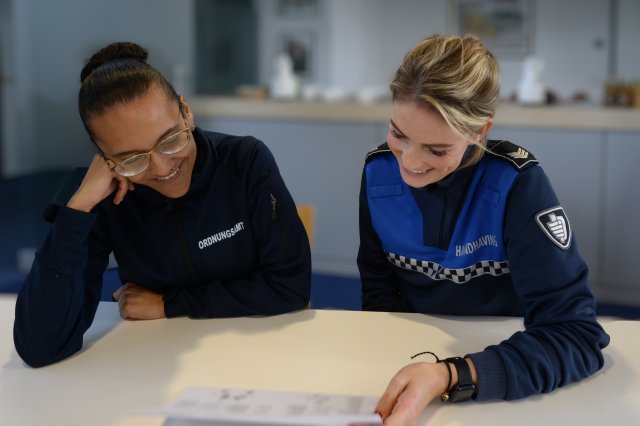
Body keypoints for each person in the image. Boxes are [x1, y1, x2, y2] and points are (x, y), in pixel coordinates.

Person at [357, 34, 610, 425]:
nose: (409, 162)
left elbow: (577, 336)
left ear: (479, 131)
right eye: (398, 134)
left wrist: (449, 375)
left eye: (437, 150)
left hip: (501, 371)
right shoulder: (377, 171)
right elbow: (379, 295)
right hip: (410, 373)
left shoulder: (517, 184)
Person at [14, 42, 311, 368]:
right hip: (153, 359)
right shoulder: (105, 195)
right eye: (131, 158)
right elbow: (42, 347)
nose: (161, 168)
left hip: (260, 348)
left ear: (186, 111)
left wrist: (171, 304)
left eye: (170, 140)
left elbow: (290, 288)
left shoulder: (245, 161)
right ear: (102, 154)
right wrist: (79, 208)